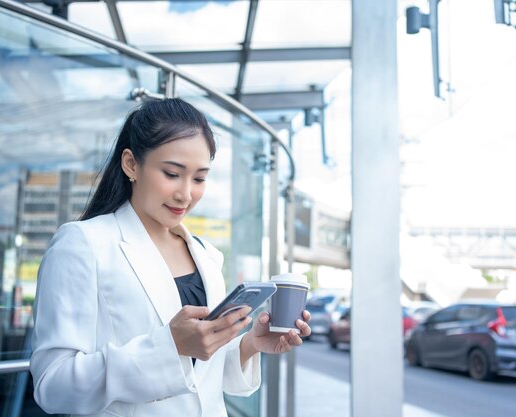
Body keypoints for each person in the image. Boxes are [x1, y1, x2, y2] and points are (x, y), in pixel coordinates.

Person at [30, 98, 311, 417]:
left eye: (200, 178)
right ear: (131, 164)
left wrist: (249, 346)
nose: (186, 194)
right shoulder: (83, 244)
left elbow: (200, 376)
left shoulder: (207, 256)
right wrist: (170, 347)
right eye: (172, 173)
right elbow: (53, 386)